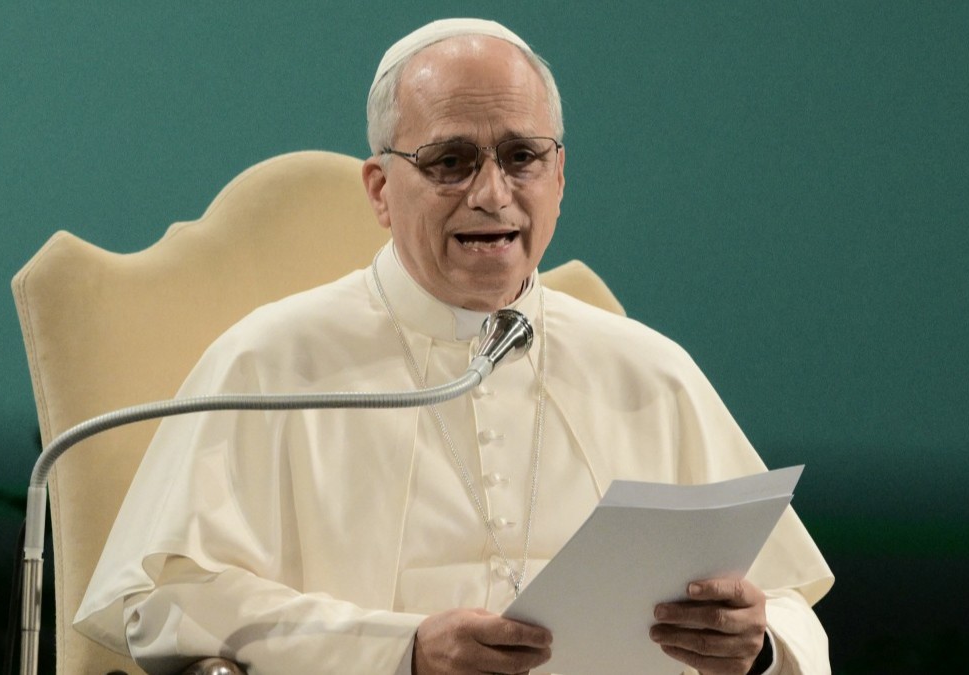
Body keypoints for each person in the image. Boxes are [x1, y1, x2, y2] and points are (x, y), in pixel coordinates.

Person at [76, 18, 833, 675]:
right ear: (379, 189)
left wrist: (755, 645)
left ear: (560, 175)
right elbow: (164, 602)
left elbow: (794, 611)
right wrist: (399, 653)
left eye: (522, 157)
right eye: (450, 162)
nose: (493, 194)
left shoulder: (649, 370)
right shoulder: (270, 365)